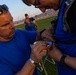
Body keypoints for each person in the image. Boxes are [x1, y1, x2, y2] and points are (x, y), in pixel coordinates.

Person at [22, 0, 76, 75]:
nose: (43, 10)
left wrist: (61, 58)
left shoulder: (72, 8)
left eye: (38, 3)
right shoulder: (65, 7)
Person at [0, 4, 48, 75]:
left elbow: (37, 35)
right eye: (5, 24)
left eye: (12, 21)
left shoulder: (19, 33)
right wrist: (32, 61)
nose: (13, 26)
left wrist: (47, 33)